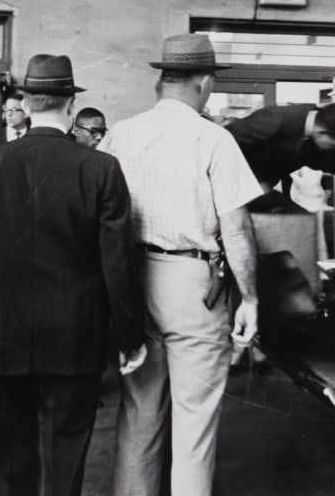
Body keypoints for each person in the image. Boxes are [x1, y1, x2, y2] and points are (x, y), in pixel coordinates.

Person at [0, 54, 146, 496]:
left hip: (3, 330)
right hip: (75, 335)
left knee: (10, 451)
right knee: (67, 451)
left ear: (25, 101)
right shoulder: (99, 168)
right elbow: (116, 261)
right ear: (69, 106)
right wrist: (128, 336)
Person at [101, 34, 263, 496]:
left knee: (139, 410)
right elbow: (236, 229)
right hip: (194, 287)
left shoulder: (120, 134)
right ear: (205, 82)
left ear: (163, 79)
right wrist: (249, 296)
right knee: (195, 421)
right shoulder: (213, 138)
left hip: (132, 281)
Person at [224, 101, 335, 191]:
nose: (333, 150)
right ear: (322, 133)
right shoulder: (277, 119)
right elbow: (224, 143)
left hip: (251, 192)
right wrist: (257, 181)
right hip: (227, 188)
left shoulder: (311, 136)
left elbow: (322, 159)